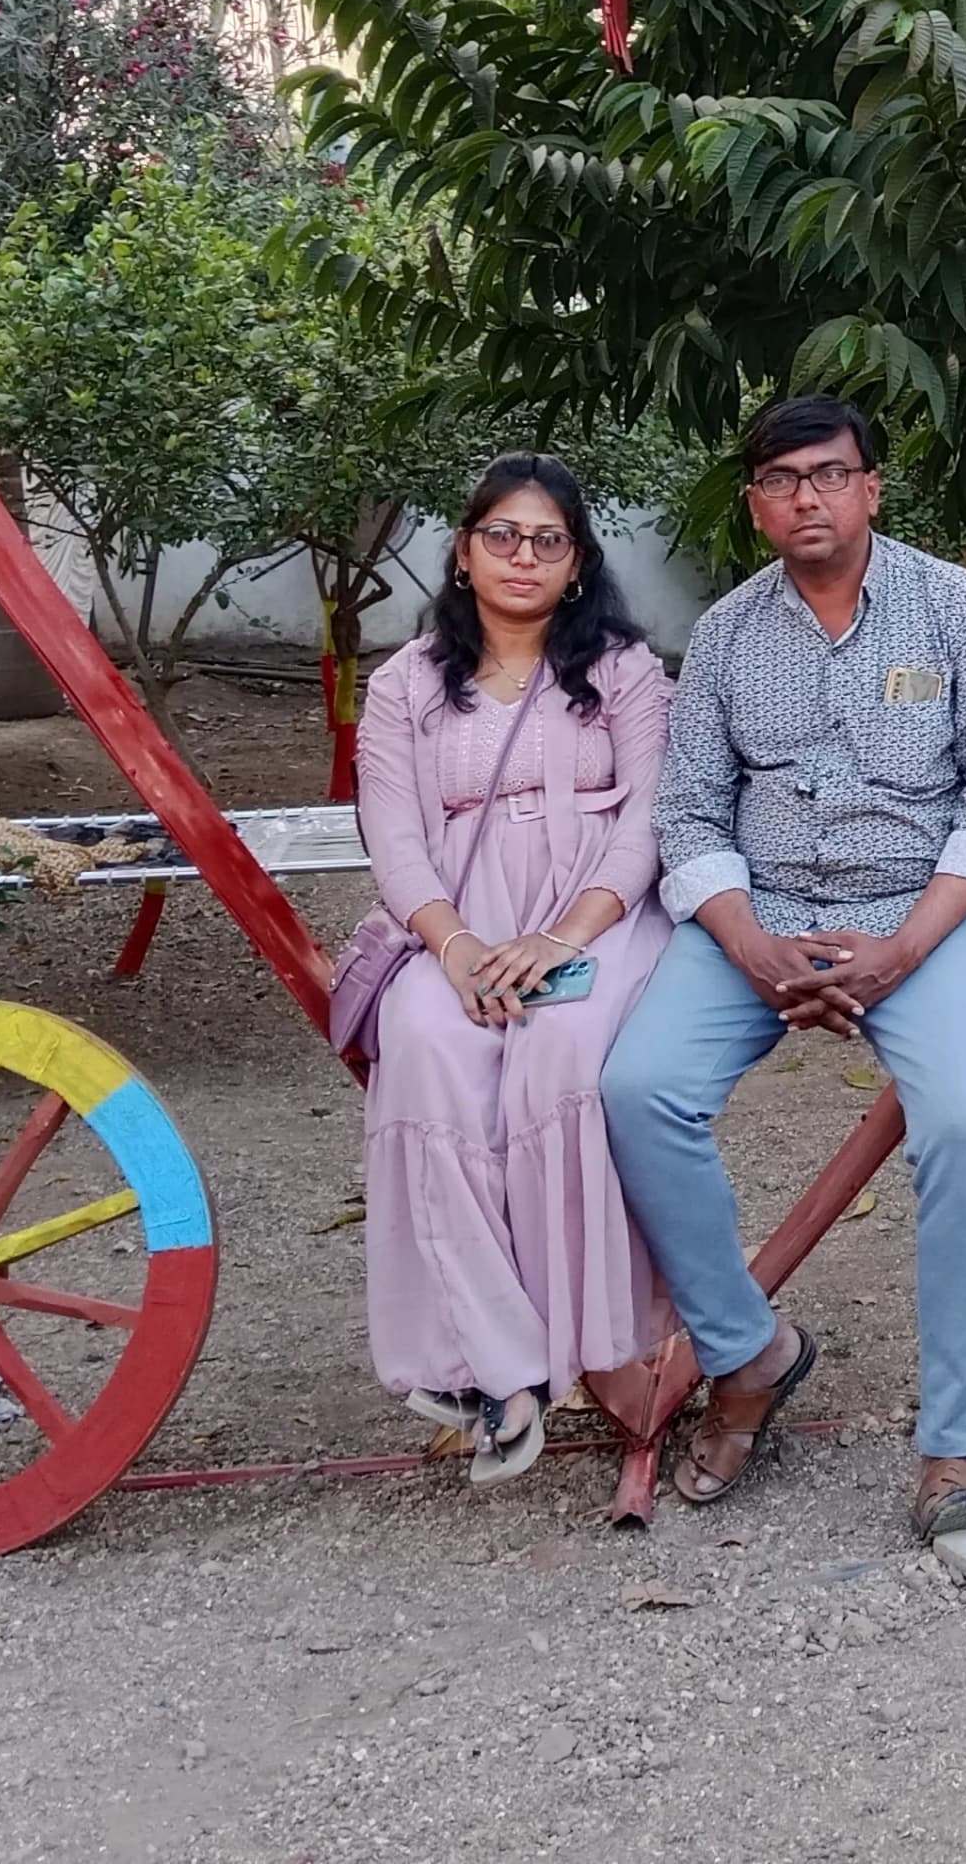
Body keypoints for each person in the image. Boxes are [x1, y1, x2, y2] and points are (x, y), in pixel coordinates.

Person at [606, 394, 966, 1545]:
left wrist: (902, 949)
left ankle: (955, 1445)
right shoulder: (730, 636)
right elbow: (691, 813)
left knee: (962, 1131)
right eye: (784, 480)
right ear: (756, 505)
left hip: (925, 917)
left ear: (871, 488)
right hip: (767, 917)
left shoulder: (957, 610)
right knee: (637, 1090)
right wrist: (749, 945)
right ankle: (751, 1356)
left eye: (831, 474)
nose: (810, 496)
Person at [348, 454, 674, 1485]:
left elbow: (650, 822)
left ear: (577, 564)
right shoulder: (404, 684)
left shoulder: (625, 673)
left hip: (597, 920)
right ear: (462, 550)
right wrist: (453, 949)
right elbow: (393, 838)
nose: (522, 556)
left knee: (559, 1055)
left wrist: (564, 938)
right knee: (428, 1053)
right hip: (456, 925)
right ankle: (495, 1366)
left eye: (547, 539)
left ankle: (586, 1337)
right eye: (502, 535)